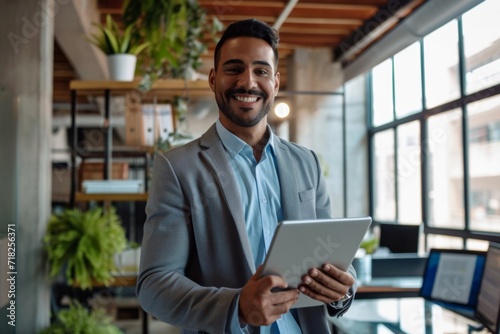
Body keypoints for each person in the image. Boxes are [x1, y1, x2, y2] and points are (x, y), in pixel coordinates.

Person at [136, 18, 357, 333]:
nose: (248, 82)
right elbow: (154, 286)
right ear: (213, 79)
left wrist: (343, 288)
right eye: (234, 68)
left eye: (261, 71)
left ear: (276, 83)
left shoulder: (306, 162)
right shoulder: (178, 168)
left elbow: (332, 257)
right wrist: (236, 307)